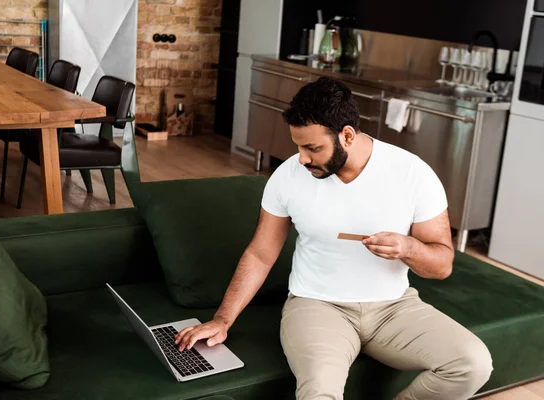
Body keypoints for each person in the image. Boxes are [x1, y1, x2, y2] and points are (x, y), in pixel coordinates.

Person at [175, 77, 492, 400]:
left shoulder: (413, 174)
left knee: (472, 364)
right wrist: (222, 319)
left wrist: (408, 248)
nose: (302, 158)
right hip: (316, 306)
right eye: (298, 146)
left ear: (348, 135)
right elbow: (260, 253)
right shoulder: (288, 176)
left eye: (313, 148)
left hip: (394, 308)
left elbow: (441, 266)